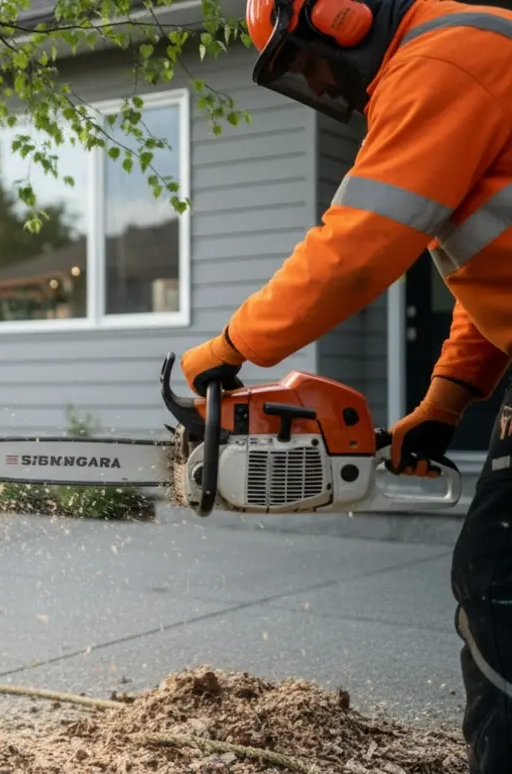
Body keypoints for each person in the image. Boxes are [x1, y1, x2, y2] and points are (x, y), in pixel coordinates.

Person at [177, 0, 512, 768]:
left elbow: (357, 246)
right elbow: (492, 272)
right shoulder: (443, 59)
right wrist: (449, 397)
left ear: (338, 13)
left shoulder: (444, 57)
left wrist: (234, 346)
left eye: (305, 59)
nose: (318, 80)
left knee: (496, 576)